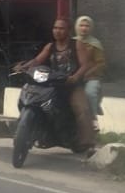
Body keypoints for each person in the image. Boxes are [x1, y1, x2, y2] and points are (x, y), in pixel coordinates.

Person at [15, 17, 98, 153]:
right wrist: (24, 67)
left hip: (71, 86)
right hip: (53, 85)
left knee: (82, 109)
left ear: (68, 30)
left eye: (61, 28)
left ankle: (89, 144)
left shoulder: (76, 44)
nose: (57, 31)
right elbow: (37, 60)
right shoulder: (50, 47)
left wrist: (75, 77)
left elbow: (86, 64)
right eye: (55, 28)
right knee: (38, 102)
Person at [75, 15, 106, 122]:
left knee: (90, 93)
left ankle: (93, 119)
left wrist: (88, 73)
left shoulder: (95, 44)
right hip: (74, 76)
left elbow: (101, 63)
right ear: (77, 27)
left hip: (91, 77)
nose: (84, 28)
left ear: (91, 28)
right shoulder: (72, 42)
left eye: (87, 26)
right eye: (81, 25)